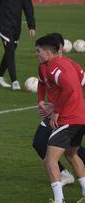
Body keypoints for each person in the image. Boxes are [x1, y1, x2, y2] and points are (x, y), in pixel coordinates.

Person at [35, 35, 85, 203]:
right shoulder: (65, 64)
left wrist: (56, 109)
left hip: (68, 118)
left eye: (39, 51)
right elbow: (78, 83)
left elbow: (70, 88)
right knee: (71, 154)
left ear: (48, 52)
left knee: (50, 160)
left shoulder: (54, 67)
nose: (37, 54)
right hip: (80, 117)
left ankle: (59, 200)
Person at [0, 0, 36, 90]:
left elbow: (28, 8)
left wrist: (31, 26)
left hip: (16, 28)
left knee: (10, 51)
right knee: (10, 51)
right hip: (4, 26)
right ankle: (15, 82)